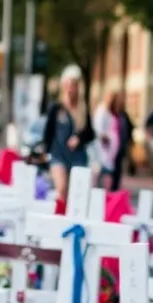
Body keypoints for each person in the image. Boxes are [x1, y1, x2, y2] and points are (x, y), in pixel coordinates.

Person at [41, 65, 95, 202]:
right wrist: (45, 154)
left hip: (78, 157)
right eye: (68, 85)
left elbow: (91, 133)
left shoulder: (83, 110)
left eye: (73, 86)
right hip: (58, 154)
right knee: (62, 189)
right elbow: (48, 132)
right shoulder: (57, 108)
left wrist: (79, 138)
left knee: (76, 195)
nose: (70, 89)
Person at [92, 90, 122, 191]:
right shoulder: (102, 110)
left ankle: (106, 192)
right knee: (99, 169)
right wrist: (104, 138)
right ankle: (96, 190)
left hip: (110, 147)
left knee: (107, 169)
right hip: (103, 146)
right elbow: (98, 129)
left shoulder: (112, 111)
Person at [111, 102, 134, 191]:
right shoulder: (112, 115)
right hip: (112, 147)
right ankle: (113, 185)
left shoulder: (124, 115)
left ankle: (116, 185)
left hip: (122, 145)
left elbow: (130, 127)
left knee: (119, 166)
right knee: (112, 167)